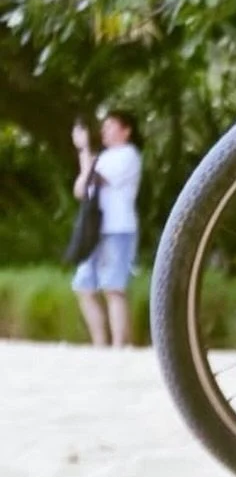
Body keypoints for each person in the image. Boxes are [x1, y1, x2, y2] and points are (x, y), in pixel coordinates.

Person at [71, 111, 143, 348]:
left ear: (126, 130)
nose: (104, 130)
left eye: (110, 125)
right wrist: (86, 157)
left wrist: (83, 151)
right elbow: (81, 190)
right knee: (84, 286)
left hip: (118, 228)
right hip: (94, 229)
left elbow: (95, 178)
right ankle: (100, 344)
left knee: (113, 287)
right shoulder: (100, 157)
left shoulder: (128, 155)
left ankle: (119, 346)